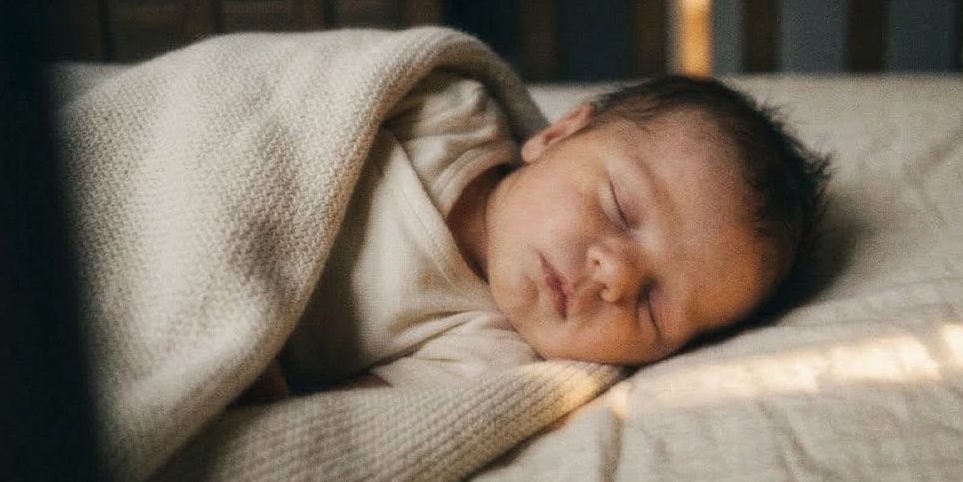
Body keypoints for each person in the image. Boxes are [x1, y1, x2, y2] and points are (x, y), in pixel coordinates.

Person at [244, 72, 830, 400]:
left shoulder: (486, 360)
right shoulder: (442, 113)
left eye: (653, 306)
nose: (616, 277)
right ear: (556, 136)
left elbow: (314, 419)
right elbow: (279, 102)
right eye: (621, 209)